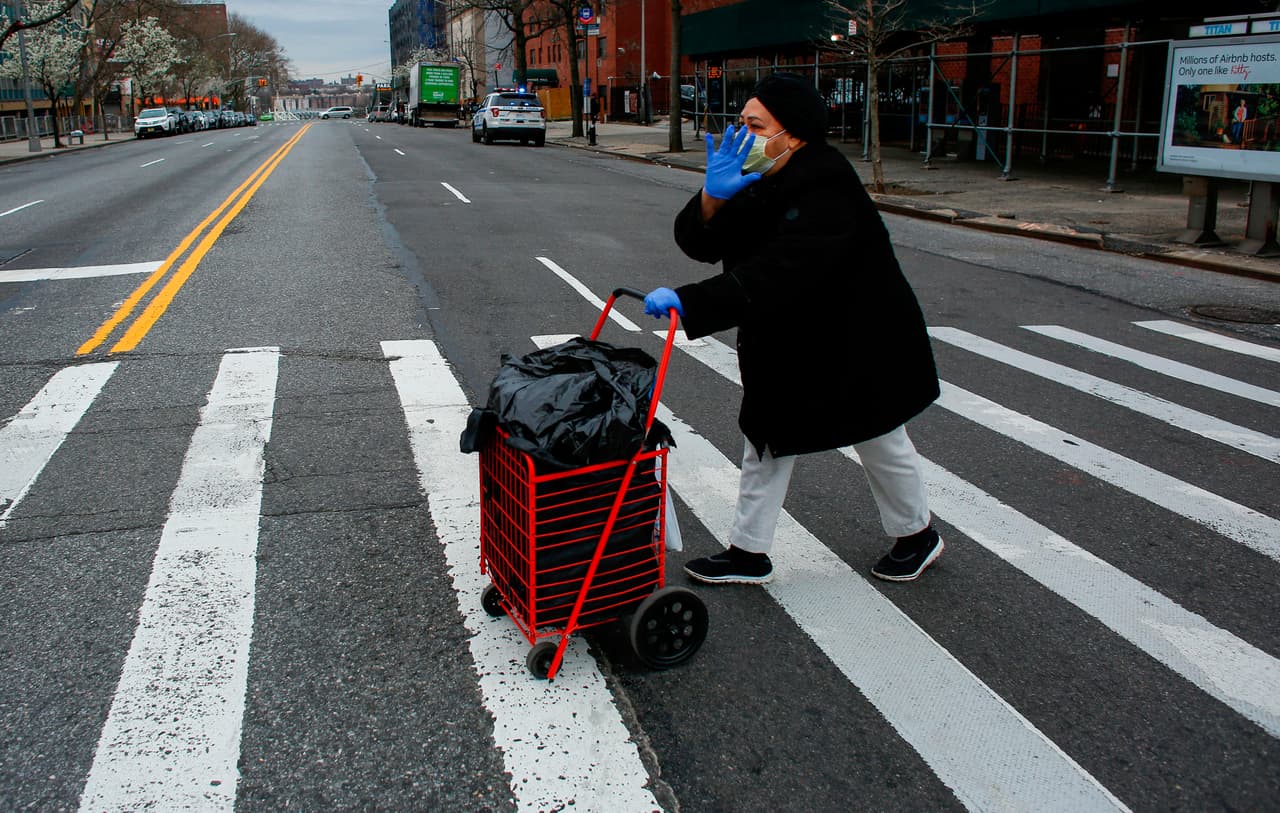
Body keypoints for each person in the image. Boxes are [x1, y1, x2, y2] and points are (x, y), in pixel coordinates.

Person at [643, 73, 942, 585]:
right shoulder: (760, 172)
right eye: (741, 122)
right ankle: (748, 553)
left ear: (794, 131)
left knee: (880, 437)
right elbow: (701, 243)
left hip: (857, 339)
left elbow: (784, 270)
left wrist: (691, 303)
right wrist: (712, 198)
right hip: (790, 338)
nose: (743, 133)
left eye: (755, 124)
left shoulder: (826, 182)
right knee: (766, 435)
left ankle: (918, 536)